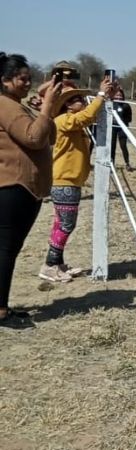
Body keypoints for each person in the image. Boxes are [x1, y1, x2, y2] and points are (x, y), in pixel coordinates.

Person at [0, 52, 59, 327]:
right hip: (13, 188)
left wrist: (47, 106)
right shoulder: (5, 105)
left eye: (29, 78)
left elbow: (51, 134)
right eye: (22, 79)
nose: (27, 83)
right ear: (5, 80)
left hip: (24, 190)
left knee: (8, 249)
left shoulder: (16, 105)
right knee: (5, 250)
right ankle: (0, 311)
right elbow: (34, 138)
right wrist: (46, 106)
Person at [39, 77, 115, 282]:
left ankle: (57, 263)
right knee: (66, 225)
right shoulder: (64, 120)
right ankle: (49, 264)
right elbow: (87, 116)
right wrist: (100, 95)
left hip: (70, 181)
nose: (82, 100)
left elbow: (90, 117)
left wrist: (107, 98)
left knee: (60, 223)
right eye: (77, 98)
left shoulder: (74, 123)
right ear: (67, 105)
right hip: (64, 181)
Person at [111, 88, 133, 171]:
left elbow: (129, 118)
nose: (118, 97)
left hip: (122, 128)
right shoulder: (110, 104)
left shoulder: (126, 106)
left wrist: (122, 121)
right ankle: (112, 163)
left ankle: (127, 163)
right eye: (117, 95)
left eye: (120, 95)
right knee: (112, 146)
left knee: (123, 145)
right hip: (112, 127)